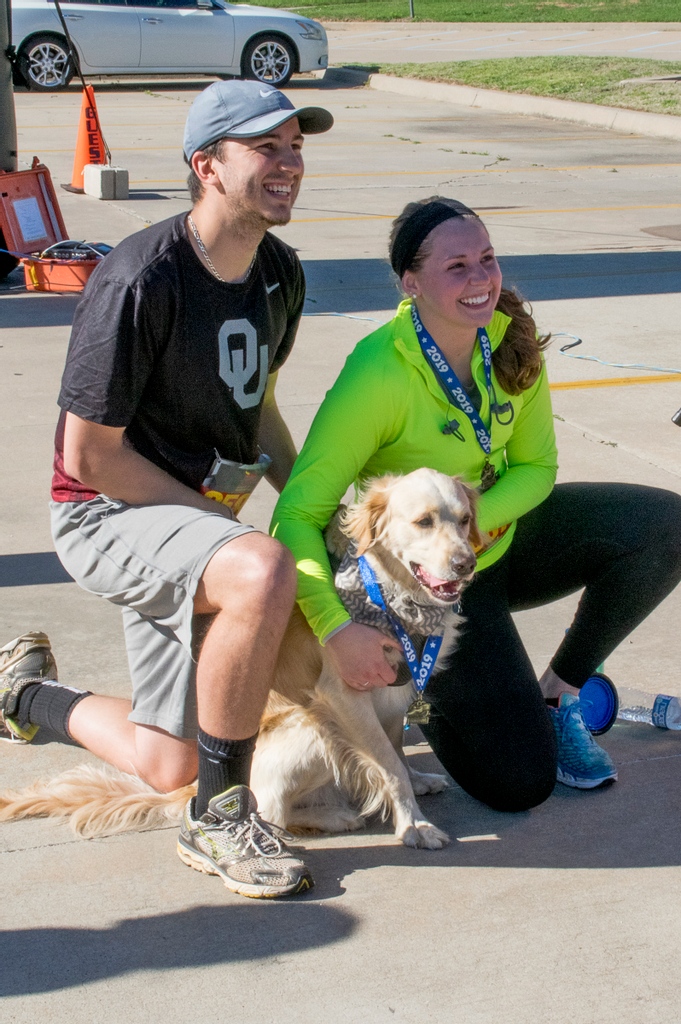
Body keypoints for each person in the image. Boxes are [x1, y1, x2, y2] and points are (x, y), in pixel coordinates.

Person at [0, 80, 333, 899]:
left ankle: (22, 693)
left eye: (295, 145)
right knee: (258, 572)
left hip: (192, 527)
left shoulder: (279, 274)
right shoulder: (139, 280)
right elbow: (88, 457)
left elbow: (258, 411)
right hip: (106, 514)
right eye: (266, 147)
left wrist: (314, 513)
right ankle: (221, 817)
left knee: (165, 761)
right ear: (206, 166)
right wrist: (229, 536)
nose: (288, 163)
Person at [271, 195, 681, 813]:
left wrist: (473, 526)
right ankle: (437, 699)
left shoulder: (511, 339)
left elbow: (538, 467)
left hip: (491, 543)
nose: (480, 279)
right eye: (456, 266)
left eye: (486, 259)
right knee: (519, 784)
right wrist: (336, 628)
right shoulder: (377, 372)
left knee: (667, 525)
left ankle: (557, 695)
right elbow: (295, 515)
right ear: (411, 283)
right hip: (417, 592)